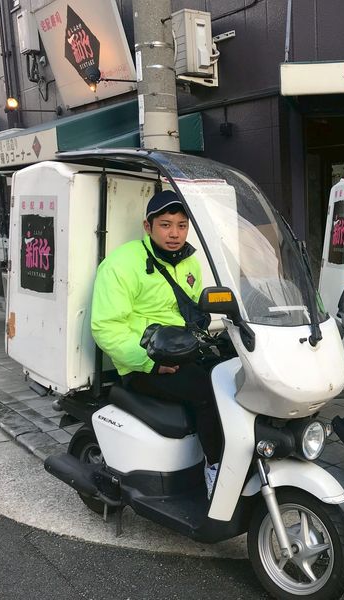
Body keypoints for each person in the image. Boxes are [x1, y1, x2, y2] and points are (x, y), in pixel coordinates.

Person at [91, 189, 222, 498]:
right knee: (208, 392)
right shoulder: (121, 264)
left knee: (235, 377)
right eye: (165, 225)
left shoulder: (190, 262)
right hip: (144, 362)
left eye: (181, 225)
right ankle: (215, 467)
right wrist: (150, 361)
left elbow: (193, 310)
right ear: (147, 227)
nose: (174, 233)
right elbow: (105, 327)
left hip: (182, 350)